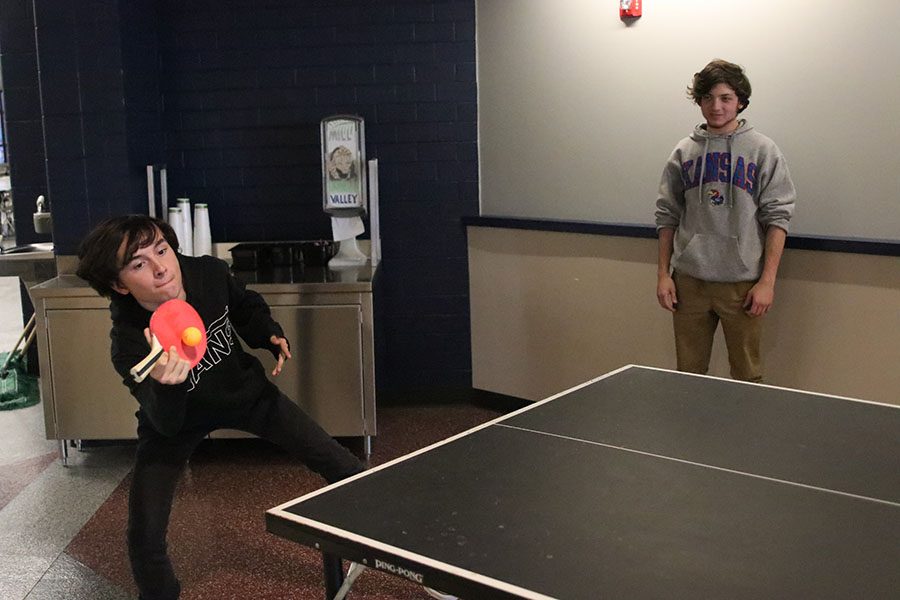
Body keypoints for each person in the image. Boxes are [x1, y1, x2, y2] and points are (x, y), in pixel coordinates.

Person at [76, 215, 364, 600]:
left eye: (162, 250)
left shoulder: (208, 274)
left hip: (246, 396)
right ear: (118, 284)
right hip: (173, 424)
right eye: (139, 264)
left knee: (342, 465)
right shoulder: (130, 344)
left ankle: (399, 548)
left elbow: (245, 305)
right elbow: (164, 419)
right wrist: (167, 385)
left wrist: (268, 333)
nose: (161, 268)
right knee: (143, 533)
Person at [654, 59, 796, 383]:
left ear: (740, 101)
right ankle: (693, 433)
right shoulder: (684, 151)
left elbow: (778, 218)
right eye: (707, 98)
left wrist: (767, 283)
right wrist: (663, 274)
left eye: (725, 98)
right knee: (689, 375)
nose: (715, 106)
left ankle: (745, 433)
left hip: (742, 283)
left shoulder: (763, 150)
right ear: (699, 102)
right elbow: (667, 215)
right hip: (689, 281)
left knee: (747, 375)